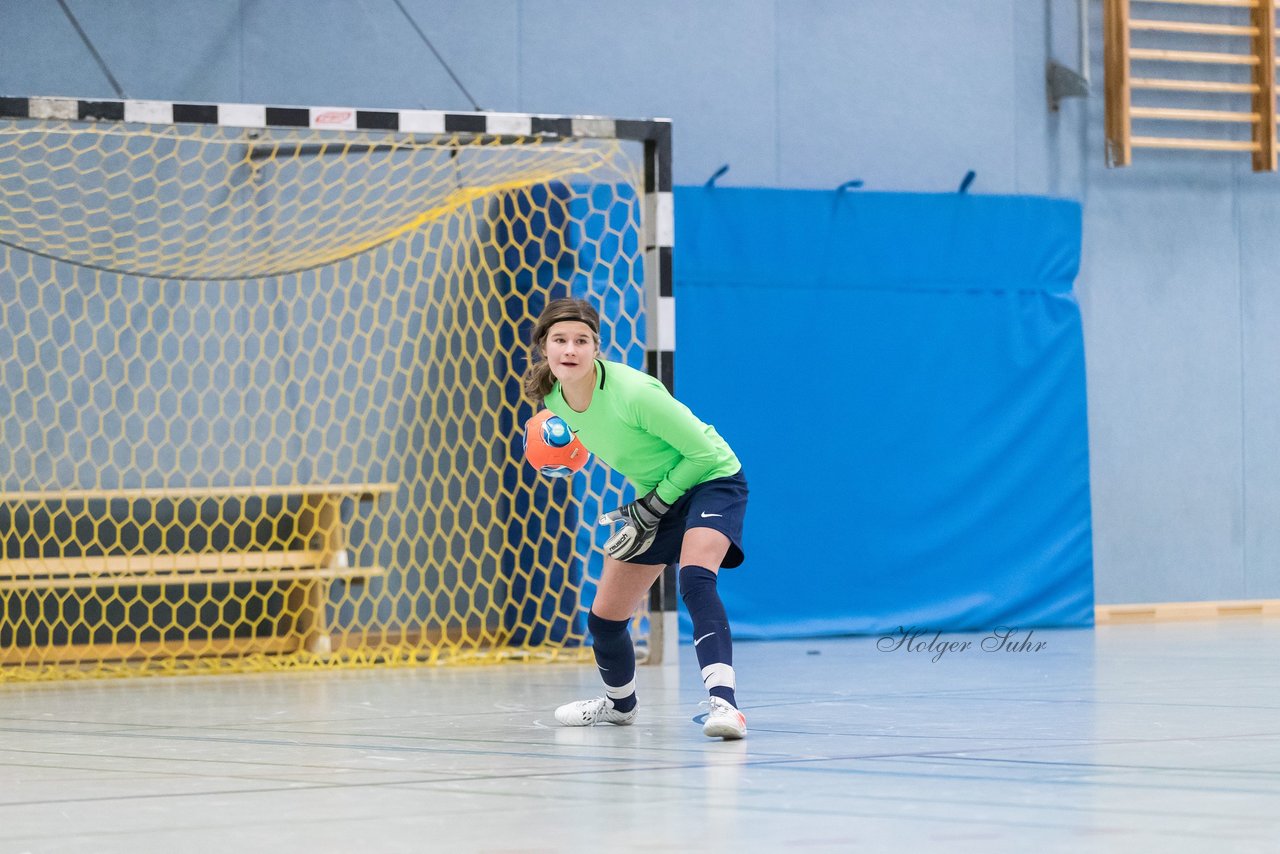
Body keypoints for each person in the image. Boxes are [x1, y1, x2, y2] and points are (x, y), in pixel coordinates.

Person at [522, 297, 750, 739]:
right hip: (656, 494)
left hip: (712, 479)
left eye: (581, 340)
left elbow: (703, 453)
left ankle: (726, 706)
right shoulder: (553, 397)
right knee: (604, 619)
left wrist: (654, 505)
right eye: (560, 340)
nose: (571, 349)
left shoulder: (633, 393)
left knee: (696, 580)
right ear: (543, 347)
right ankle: (619, 705)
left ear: (596, 348)